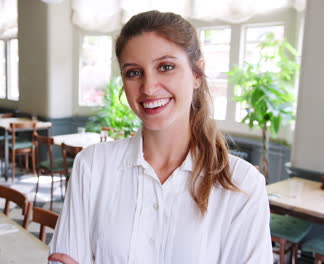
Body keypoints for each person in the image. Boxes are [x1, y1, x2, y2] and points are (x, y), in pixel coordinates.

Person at [48, 10, 272, 264]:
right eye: (133, 72)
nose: (149, 87)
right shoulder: (92, 166)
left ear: (197, 74)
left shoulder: (242, 184)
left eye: (166, 67)